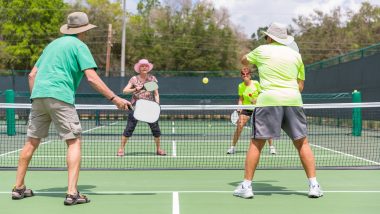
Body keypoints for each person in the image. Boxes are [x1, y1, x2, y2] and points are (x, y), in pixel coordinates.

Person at [11, 12, 132, 205]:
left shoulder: (51, 45)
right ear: (84, 31)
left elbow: (32, 75)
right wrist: (114, 98)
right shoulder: (79, 46)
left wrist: (36, 98)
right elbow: (91, 78)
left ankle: (18, 188)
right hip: (60, 96)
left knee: (31, 142)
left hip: (38, 97)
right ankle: (72, 193)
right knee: (73, 142)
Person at [233, 22, 323, 199]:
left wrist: (253, 61)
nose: (265, 39)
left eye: (266, 36)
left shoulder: (262, 50)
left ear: (270, 37)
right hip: (293, 101)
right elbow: (300, 86)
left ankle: (247, 187)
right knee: (303, 143)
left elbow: (244, 61)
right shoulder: (296, 56)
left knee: (256, 143)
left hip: (268, 101)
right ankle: (314, 185)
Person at [117, 59, 166, 156]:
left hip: (150, 107)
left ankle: (159, 149)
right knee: (129, 128)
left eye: (146, 66)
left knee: (156, 129)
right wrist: (135, 89)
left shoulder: (152, 79)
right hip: (136, 107)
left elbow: (156, 94)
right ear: (139, 68)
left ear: (148, 68)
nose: (144, 67)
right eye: (142, 66)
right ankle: (121, 149)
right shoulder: (134, 79)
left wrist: (157, 105)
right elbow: (125, 91)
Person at [227, 67, 276, 155]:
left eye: (247, 74)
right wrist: (239, 107)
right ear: (241, 76)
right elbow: (241, 99)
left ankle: (271, 147)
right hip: (246, 109)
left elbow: (262, 94)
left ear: (250, 75)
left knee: (266, 127)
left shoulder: (256, 83)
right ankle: (232, 147)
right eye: (243, 75)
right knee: (239, 125)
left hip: (258, 108)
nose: (245, 76)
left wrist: (257, 99)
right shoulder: (240, 86)